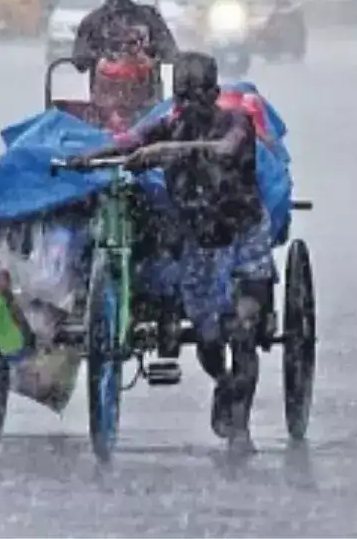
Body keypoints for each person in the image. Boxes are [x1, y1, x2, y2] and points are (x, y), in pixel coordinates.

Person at [67, 51, 273, 450]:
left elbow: (223, 151)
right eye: (181, 95)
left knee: (244, 329)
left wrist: (163, 153)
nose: (187, 103)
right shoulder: (171, 123)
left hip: (244, 237)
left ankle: (241, 428)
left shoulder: (236, 124)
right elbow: (130, 141)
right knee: (210, 340)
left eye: (196, 94)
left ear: (214, 93)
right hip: (201, 244)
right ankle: (225, 384)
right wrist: (87, 158)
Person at [73, 0, 177, 72]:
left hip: (115, 87)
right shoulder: (148, 16)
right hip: (138, 86)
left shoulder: (93, 20)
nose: (116, 2)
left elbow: (80, 61)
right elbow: (170, 52)